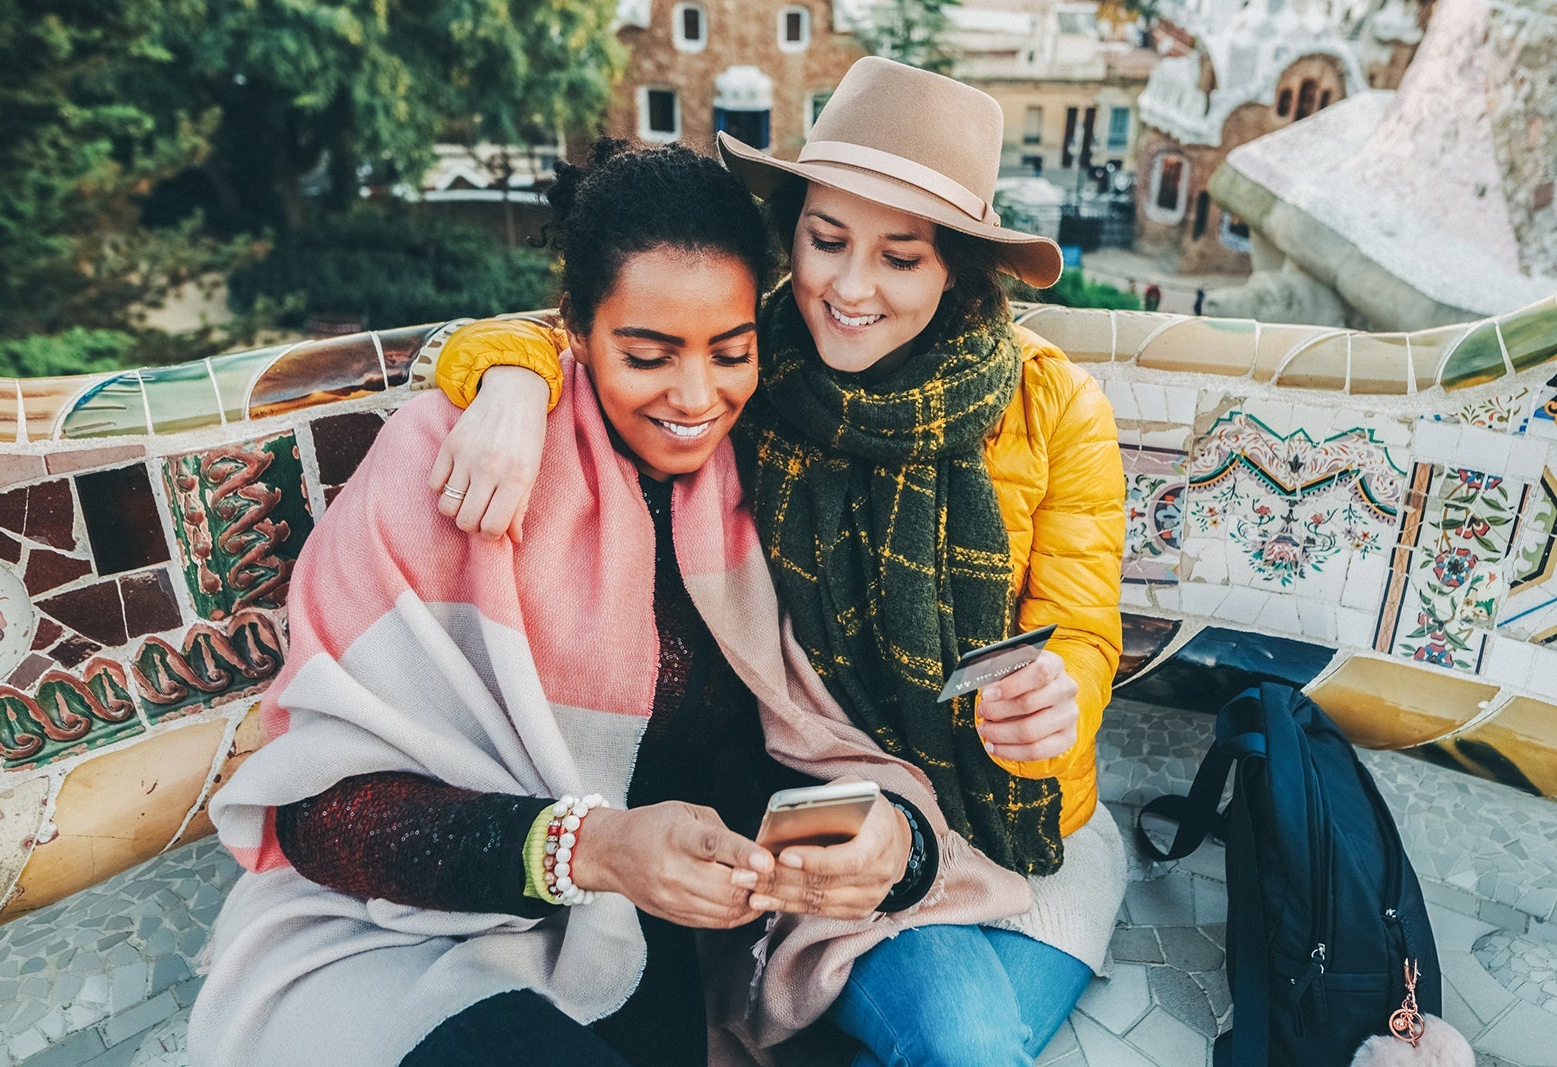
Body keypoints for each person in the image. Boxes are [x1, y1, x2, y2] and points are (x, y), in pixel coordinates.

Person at [188, 140, 1048, 1067]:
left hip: (644, 930)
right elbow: (321, 815)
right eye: (647, 354)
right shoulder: (455, 460)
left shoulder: (759, 476)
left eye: (730, 351)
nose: (695, 396)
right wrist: (586, 848)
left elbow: (791, 738)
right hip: (399, 934)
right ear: (577, 331)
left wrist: (892, 840)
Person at [423, 58, 1127, 1065]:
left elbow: (1082, 629)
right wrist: (501, 377)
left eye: (900, 257)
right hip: (829, 809)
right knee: (966, 1043)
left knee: (966, 1041)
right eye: (826, 240)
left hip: (1008, 804)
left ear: (956, 268)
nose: (848, 286)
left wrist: (1060, 698)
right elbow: (610, 322)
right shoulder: (750, 362)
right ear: (790, 232)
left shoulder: (1055, 410)